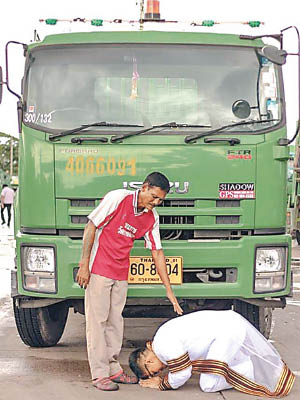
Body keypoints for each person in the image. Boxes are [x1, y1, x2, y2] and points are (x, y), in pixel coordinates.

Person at [76, 171, 183, 392]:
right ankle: (99, 374)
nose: (155, 203)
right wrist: (84, 265)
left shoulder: (152, 217)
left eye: (160, 200)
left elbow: (157, 253)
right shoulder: (118, 198)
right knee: (98, 323)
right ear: (143, 188)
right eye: (153, 196)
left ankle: (113, 369)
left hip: (120, 272)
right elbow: (91, 227)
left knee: (115, 322)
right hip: (98, 268)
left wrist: (169, 291)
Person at [129, 310, 295, 397]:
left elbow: (183, 373)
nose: (161, 372)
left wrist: (162, 383)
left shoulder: (163, 347)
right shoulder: (160, 338)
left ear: (148, 362)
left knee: (208, 385)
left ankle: (256, 367)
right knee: (217, 369)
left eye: (155, 372)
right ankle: (253, 364)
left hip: (227, 333)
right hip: (227, 329)